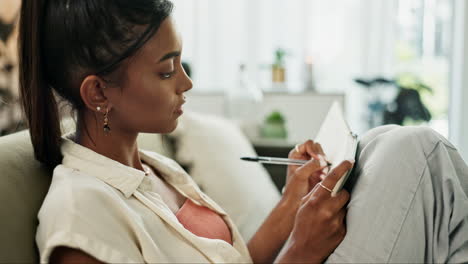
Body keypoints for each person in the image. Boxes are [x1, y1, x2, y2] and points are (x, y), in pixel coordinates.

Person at [17, 0, 468, 263]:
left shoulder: (158, 170)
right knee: (419, 151)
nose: (187, 84)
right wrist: (298, 254)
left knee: (383, 145)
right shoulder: (80, 215)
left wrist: (292, 201)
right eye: (167, 71)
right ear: (98, 92)